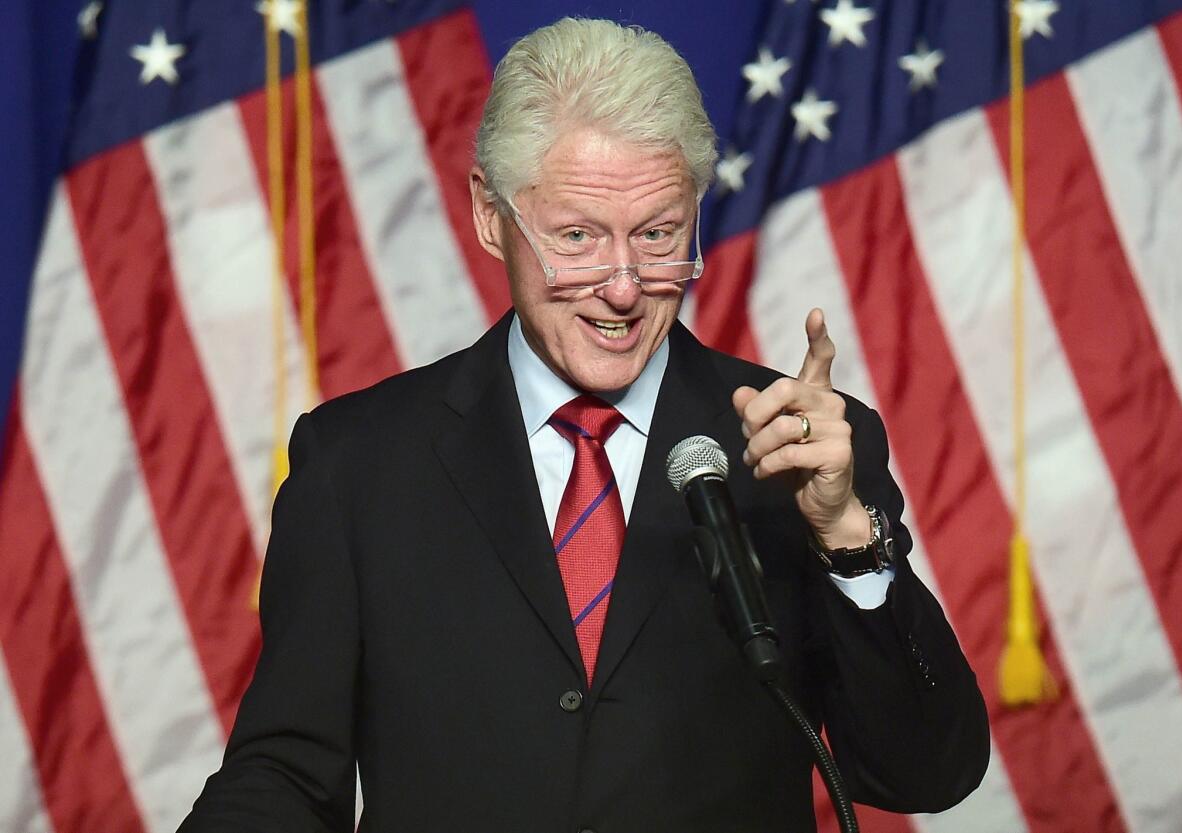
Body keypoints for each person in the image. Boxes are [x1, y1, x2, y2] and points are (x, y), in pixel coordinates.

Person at [179, 17, 988, 833]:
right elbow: (284, 773)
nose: (626, 286)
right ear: (491, 216)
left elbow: (925, 771)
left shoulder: (800, 454)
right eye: (578, 237)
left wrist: (846, 537)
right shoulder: (357, 464)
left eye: (658, 234)